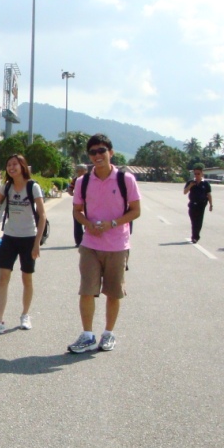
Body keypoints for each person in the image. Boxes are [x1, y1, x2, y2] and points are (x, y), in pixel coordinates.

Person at [68, 134, 141, 354]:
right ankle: (88, 335)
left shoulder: (125, 180)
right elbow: (77, 212)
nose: (97, 156)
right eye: (93, 152)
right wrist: (88, 224)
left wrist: (113, 223)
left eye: (101, 151)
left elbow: (136, 211)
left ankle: (108, 334)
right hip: (90, 244)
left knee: (113, 292)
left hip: (117, 245)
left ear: (111, 152)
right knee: (86, 291)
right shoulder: (83, 181)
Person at [0, 154, 46, 335]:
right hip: (9, 237)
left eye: (15, 164)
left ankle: (25, 315)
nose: (11, 167)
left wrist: (37, 243)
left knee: (27, 278)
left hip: (28, 238)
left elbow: (42, 215)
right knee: (3, 278)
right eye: (8, 165)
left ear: (22, 166)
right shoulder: (7, 187)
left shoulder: (33, 187)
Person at [183, 164, 213, 243]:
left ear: (202, 173)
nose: (196, 175)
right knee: (193, 221)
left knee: (199, 221)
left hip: (201, 205)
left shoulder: (205, 183)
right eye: (195, 174)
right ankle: (194, 236)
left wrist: (211, 205)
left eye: (198, 173)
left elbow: (209, 194)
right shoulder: (190, 182)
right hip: (192, 204)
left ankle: (195, 237)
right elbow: (185, 192)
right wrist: (190, 185)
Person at [68, 164, 88, 246]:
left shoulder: (90, 179)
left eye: (82, 171)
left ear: (86, 171)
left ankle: (88, 240)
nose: (80, 173)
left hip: (88, 204)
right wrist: (72, 193)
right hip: (77, 204)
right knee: (77, 222)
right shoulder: (75, 180)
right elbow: (70, 188)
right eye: (78, 171)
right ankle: (79, 241)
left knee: (89, 221)